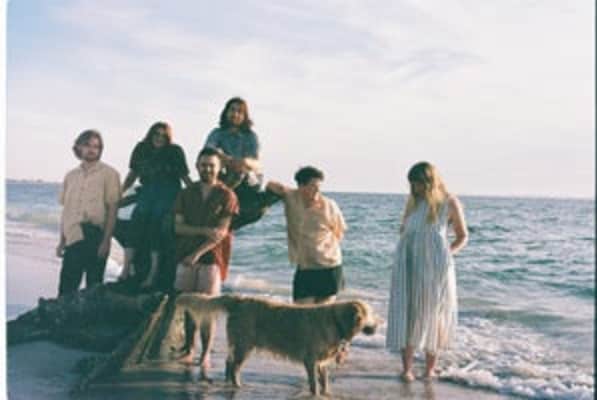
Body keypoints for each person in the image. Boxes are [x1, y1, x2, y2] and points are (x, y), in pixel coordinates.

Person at [386, 161, 468, 382]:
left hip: (436, 267)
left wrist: (448, 253)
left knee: (434, 314)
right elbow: (405, 232)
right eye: (412, 183)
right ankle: (407, 369)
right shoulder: (413, 203)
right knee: (407, 312)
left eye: (419, 183)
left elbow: (462, 236)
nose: (415, 187)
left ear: (430, 181)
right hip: (408, 265)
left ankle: (430, 368)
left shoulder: (449, 202)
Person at [173, 147, 239, 378]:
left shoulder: (227, 195)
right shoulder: (186, 193)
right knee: (189, 306)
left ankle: (206, 354)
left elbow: (220, 233)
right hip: (184, 254)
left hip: (212, 258)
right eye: (203, 165)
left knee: (208, 309)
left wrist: (197, 253)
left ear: (219, 168)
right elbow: (178, 227)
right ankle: (189, 350)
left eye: (211, 165)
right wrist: (202, 231)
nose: (207, 169)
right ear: (196, 166)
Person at [120, 122, 192, 288]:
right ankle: (126, 268)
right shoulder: (141, 149)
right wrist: (120, 192)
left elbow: (184, 176)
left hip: (169, 191)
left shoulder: (175, 151)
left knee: (156, 221)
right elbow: (133, 174)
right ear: (150, 134)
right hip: (148, 190)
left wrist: (195, 195)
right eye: (156, 134)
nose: (159, 138)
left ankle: (153, 273)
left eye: (163, 136)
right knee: (138, 217)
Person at [266, 166, 347, 305]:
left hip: (329, 266)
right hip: (305, 267)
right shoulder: (291, 198)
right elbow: (270, 185)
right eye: (312, 186)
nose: (317, 191)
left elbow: (340, 231)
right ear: (301, 186)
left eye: (319, 187)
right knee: (300, 311)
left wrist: (323, 249)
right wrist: (282, 189)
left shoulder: (329, 205)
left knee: (324, 313)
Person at [56, 130, 121, 296]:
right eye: (87, 145)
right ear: (79, 147)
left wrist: (106, 241)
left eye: (96, 146)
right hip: (73, 235)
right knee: (66, 289)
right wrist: (62, 241)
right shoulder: (70, 176)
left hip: (95, 234)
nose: (92, 150)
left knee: (93, 289)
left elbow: (112, 210)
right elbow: (66, 211)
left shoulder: (110, 174)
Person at [204, 97, 279, 230]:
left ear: (244, 116)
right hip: (226, 176)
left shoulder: (250, 136)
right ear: (226, 112)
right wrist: (228, 160)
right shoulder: (217, 133)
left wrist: (244, 162)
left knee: (244, 169)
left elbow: (256, 162)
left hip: (247, 179)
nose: (235, 114)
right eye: (232, 110)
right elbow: (209, 150)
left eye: (239, 111)